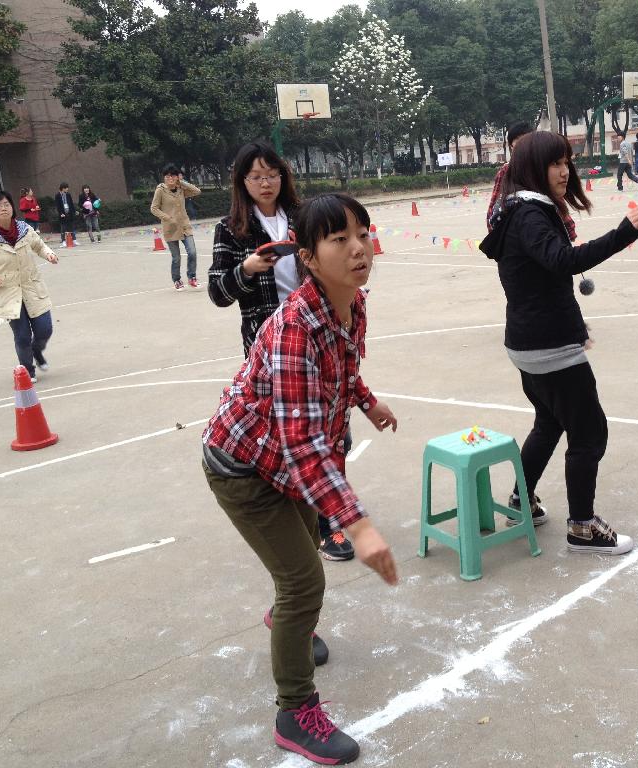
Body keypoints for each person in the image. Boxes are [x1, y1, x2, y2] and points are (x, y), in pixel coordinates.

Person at [202, 193, 398, 764]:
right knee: (304, 582)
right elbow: (302, 446)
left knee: (303, 555)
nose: (358, 248)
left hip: (282, 461)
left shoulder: (351, 303)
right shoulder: (293, 328)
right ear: (308, 258)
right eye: (339, 240)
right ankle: (295, 712)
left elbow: (343, 366)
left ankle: (286, 622)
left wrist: (366, 400)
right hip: (243, 466)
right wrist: (359, 527)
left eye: (361, 233)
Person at [480, 131, 638, 553]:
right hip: (548, 347)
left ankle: (521, 500)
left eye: (566, 162)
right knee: (589, 433)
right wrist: (623, 232)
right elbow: (563, 261)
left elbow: (546, 276)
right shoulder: (530, 214)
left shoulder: (516, 209)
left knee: (550, 422)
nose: (564, 171)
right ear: (533, 167)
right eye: (555, 163)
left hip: (528, 341)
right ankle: (582, 527)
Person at [208, 142, 355, 562]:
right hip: (270, 349)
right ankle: (316, 523)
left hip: (318, 333)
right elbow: (218, 292)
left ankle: (327, 520)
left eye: (272, 174)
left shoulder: (302, 216)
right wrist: (246, 269)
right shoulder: (231, 230)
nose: (265, 183)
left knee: (334, 430)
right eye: (256, 176)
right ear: (242, 182)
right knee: (293, 434)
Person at [0, 191, 59, 383]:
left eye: (6, 204)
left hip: (32, 288)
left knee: (45, 329)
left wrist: (49, 254)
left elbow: (39, 246)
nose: (4, 208)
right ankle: (28, 370)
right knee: (22, 336)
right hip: (8, 292)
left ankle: (37, 350)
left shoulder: (24, 229)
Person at [151, 163, 201, 291]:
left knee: (192, 252)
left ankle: (192, 277)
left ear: (177, 177)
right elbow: (154, 208)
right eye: (167, 176)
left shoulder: (181, 189)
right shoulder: (160, 190)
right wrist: (168, 218)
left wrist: (181, 182)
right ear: (164, 178)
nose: (170, 178)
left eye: (173, 175)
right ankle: (177, 280)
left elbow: (197, 191)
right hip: (170, 228)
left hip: (184, 226)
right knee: (176, 258)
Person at [487, 121, 533, 230]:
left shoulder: (543, 167)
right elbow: (493, 208)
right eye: (517, 139)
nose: (522, 143)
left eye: (525, 139)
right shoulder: (506, 170)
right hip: (516, 230)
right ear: (511, 145)